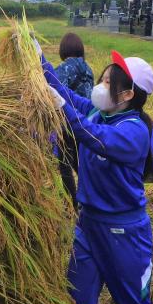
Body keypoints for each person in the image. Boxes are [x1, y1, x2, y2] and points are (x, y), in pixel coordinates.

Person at [42, 48, 153, 304]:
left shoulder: (133, 131)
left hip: (124, 233)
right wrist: (41, 63)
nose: (101, 85)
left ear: (128, 95)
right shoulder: (102, 112)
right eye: (103, 78)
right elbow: (71, 101)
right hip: (89, 226)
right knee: (78, 301)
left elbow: (88, 134)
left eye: (109, 82)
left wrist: (60, 109)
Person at [52, 33, 94, 207]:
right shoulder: (87, 68)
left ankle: (72, 202)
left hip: (68, 122)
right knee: (81, 161)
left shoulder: (64, 68)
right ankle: (91, 194)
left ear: (63, 50)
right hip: (87, 121)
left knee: (64, 163)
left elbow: (53, 87)